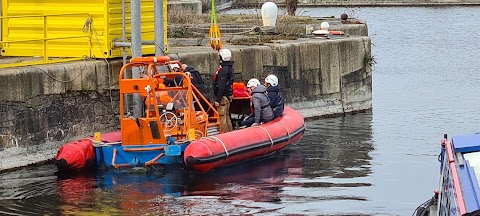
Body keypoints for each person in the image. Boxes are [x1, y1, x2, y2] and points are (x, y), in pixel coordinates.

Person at [213, 49, 234, 133]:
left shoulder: (223, 70)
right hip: (226, 96)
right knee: (227, 116)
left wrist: (218, 99)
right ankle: (230, 132)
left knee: (222, 117)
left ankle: (224, 134)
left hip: (222, 97)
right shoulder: (229, 68)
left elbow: (222, 86)